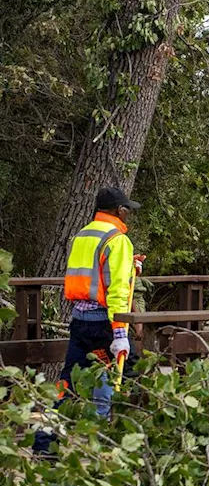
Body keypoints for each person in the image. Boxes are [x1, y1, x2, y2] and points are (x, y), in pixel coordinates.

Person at [36, 187, 143, 452]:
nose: (128, 215)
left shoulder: (82, 235)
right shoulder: (117, 240)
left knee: (67, 384)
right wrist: (119, 334)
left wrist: (131, 266)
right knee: (129, 376)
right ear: (120, 211)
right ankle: (106, 446)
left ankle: (44, 445)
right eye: (127, 210)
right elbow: (117, 289)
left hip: (79, 320)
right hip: (104, 324)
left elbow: (91, 276)